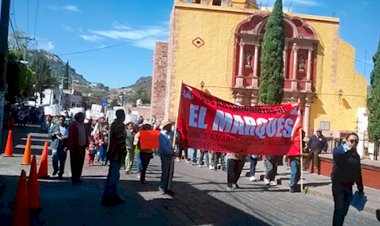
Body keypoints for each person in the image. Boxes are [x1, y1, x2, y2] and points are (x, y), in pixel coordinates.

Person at [331, 132, 364, 226]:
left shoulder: (356, 155)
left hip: (349, 185)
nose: (354, 143)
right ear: (346, 141)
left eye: (356, 142)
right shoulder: (338, 150)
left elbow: (358, 172)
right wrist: (350, 151)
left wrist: (360, 188)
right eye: (352, 141)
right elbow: (340, 159)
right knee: (339, 209)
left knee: (344, 210)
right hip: (338, 184)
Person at [101, 109, 127, 207]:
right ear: (122, 115)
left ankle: (111, 195)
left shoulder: (114, 124)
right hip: (116, 154)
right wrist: (124, 152)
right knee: (113, 177)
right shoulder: (119, 125)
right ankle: (109, 197)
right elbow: (121, 141)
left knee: (113, 176)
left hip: (113, 153)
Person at [67, 112, 88, 185]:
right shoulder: (73, 126)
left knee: (80, 163)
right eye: (82, 117)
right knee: (74, 163)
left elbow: (85, 135)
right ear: (78, 118)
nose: (83, 118)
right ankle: (74, 178)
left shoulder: (83, 126)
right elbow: (70, 138)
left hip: (82, 146)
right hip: (75, 147)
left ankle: (78, 177)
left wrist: (86, 144)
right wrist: (71, 147)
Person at [158, 119, 175, 195]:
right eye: (170, 125)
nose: (171, 126)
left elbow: (175, 140)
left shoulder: (172, 133)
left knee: (170, 172)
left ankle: (169, 187)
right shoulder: (162, 135)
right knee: (165, 171)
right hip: (165, 154)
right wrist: (171, 152)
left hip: (171, 154)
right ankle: (162, 187)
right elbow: (163, 146)